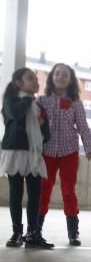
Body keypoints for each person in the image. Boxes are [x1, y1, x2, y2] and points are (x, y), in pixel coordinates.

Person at [38, 63, 91, 246]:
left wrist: (89, 149)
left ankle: (73, 232)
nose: (60, 77)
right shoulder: (41, 100)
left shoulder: (76, 103)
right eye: (57, 74)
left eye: (65, 75)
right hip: (46, 151)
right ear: (51, 77)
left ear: (70, 79)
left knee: (68, 191)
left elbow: (83, 127)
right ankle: (35, 230)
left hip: (68, 152)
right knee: (43, 190)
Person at [1, 68, 54, 249]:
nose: (35, 81)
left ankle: (33, 233)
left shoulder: (38, 107)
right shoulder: (11, 100)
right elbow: (15, 114)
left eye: (35, 78)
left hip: (34, 153)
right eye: (30, 78)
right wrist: (29, 100)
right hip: (15, 151)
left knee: (35, 194)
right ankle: (17, 232)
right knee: (16, 193)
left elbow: (46, 134)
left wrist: (42, 128)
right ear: (18, 83)